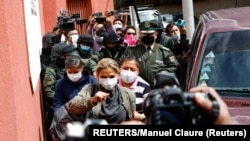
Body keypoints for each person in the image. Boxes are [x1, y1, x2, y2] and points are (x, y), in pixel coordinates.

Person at [67, 58, 143, 124]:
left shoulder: (128, 94)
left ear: (118, 75)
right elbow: (72, 107)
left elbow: (131, 115)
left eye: (112, 76)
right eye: (103, 77)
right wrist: (92, 100)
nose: (108, 80)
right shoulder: (89, 89)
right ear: (97, 76)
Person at [122, 21, 180, 88]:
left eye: (150, 34)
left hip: (158, 88)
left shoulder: (164, 51)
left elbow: (176, 67)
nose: (147, 36)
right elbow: (121, 65)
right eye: (144, 34)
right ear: (140, 34)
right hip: (137, 89)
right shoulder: (130, 51)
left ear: (156, 34)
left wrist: (164, 72)